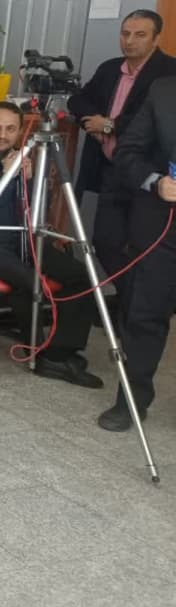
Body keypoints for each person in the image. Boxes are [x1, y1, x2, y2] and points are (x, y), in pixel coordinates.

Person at [0, 101, 101, 388]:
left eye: (10, 129)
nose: (2, 135)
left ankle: (60, 353)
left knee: (81, 275)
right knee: (32, 283)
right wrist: (4, 177)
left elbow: (40, 212)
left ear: (19, 132)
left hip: (24, 238)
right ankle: (39, 352)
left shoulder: (23, 160)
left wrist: (30, 180)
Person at [67, 9, 176, 275]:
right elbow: (78, 100)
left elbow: (154, 120)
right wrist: (92, 122)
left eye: (140, 35)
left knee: (145, 250)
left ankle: (137, 299)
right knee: (104, 243)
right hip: (112, 169)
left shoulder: (169, 72)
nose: (130, 41)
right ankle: (128, 298)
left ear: (156, 39)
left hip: (150, 175)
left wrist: (110, 125)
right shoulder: (110, 68)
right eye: (125, 34)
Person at [97, 78, 176, 431]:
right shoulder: (164, 92)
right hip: (162, 227)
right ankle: (131, 401)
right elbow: (127, 153)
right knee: (144, 316)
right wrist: (156, 182)